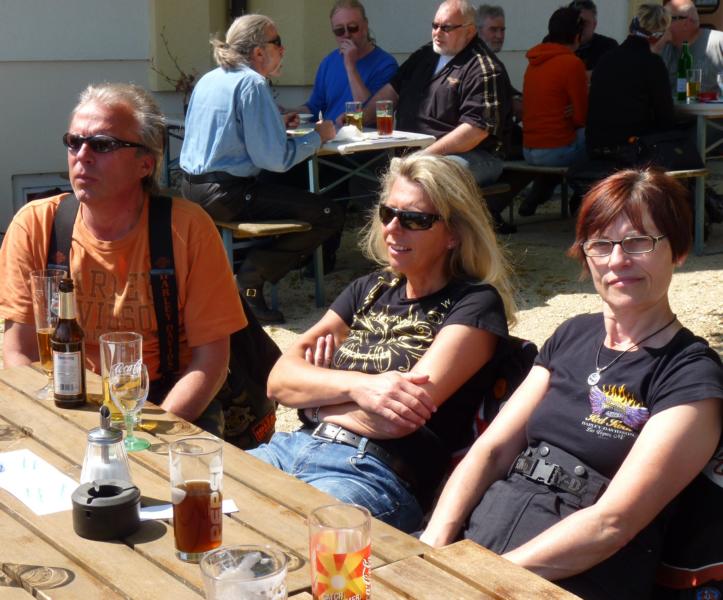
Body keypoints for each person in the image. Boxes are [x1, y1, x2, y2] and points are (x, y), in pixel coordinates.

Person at [421, 168, 723, 600]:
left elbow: (613, 522)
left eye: (638, 242)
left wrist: (485, 577)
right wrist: (432, 547)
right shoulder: (572, 334)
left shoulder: (690, 374)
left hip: (572, 577)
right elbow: (492, 451)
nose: (617, 261)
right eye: (601, 244)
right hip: (483, 539)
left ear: (678, 250)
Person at [249, 153, 517, 532]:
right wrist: (361, 388)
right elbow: (279, 381)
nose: (392, 228)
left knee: (286, 535)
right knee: (201, 494)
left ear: (454, 234)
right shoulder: (369, 288)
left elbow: (397, 418)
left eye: (414, 219)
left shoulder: (475, 303)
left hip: (370, 471)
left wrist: (314, 402)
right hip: (291, 446)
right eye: (387, 213)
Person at [0, 83, 247, 434]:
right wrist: (54, 427)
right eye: (74, 142)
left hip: (164, 405)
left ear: (145, 164)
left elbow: (211, 361)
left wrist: (142, 434)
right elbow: (19, 351)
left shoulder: (186, 229)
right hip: (63, 402)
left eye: (102, 145)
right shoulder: (37, 225)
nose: (82, 155)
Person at [180, 14, 344, 324]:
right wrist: (318, 136)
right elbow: (275, 160)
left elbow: (228, 134)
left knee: (286, 199)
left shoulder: (210, 78)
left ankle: (244, 273)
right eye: (277, 43)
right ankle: (250, 280)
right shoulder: (252, 83)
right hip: (227, 193)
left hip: (192, 189)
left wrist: (274, 124)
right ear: (258, 51)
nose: (283, 50)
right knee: (328, 213)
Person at [363, 0, 513, 189]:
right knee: (365, 178)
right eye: (435, 26)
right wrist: (357, 120)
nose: (437, 33)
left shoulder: (484, 68)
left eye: (446, 28)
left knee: (426, 177)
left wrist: (423, 156)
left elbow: (476, 130)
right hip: (413, 153)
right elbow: (392, 90)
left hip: (471, 156)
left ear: (469, 31)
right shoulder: (424, 54)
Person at [518, 6, 588, 217]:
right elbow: (581, 118)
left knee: (564, 143)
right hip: (556, 151)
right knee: (596, 137)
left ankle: (539, 193)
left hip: (529, 150)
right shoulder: (572, 63)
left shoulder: (534, 62)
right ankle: (583, 194)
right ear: (577, 36)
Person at [586, 5, 675, 156]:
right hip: (631, 149)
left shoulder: (606, 58)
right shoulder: (653, 63)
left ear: (631, 27)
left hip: (596, 147)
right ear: (658, 36)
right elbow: (665, 114)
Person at [296, 0, 397, 123]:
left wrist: (350, 66)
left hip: (363, 133)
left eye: (353, 28)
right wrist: (289, 112)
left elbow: (370, 114)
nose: (346, 35)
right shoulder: (328, 62)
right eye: (339, 30)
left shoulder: (385, 65)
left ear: (365, 25)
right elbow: (314, 108)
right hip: (331, 132)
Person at [659, 0, 723, 94]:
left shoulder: (718, 42)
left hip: (709, 104)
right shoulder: (662, 47)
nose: (662, 25)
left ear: (685, 23)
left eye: (666, 20)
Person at [569, 0, 618, 74]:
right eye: (575, 22)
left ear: (594, 25)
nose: (579, 27)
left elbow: (613, 74)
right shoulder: (557, 44)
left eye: (584, 23)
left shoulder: (608, 46)